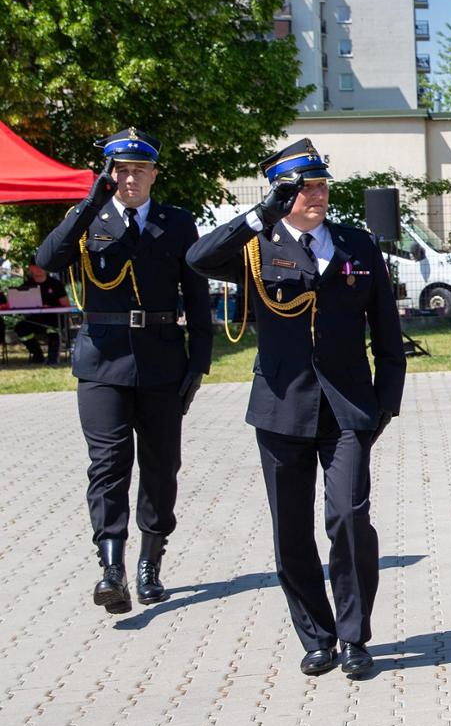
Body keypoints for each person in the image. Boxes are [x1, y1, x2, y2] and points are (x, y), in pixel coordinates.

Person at [186, 139, 405, 679]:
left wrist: (387, 403)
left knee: (350, 519)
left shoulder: (356, 244)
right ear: (281, 194)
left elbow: (386, 329)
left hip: (349, 407)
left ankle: (354, 637)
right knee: (290, 530)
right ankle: (317, 635)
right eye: (304, 188)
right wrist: (259, 214)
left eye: (321, 186)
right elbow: (197, 259)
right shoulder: (258, 245)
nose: (316, 195)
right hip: (282, 408)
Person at [34, 128, 212, 615]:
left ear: (154, 173)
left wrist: (199, 363)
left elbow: (196, 298)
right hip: (102, 360)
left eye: (138, 169)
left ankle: (150, 561)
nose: (129, 178)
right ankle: (110, 566)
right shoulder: (88, 218)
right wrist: (89, 205)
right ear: (109, 175)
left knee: (160, 467)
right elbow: (47, 261)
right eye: (120, 170)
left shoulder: (177, 223)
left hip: (161, 359)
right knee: (108, 465)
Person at [15, 265, 68, 365]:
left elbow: (66, 304)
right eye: (35, 266)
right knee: (21, 328)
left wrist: (50, 307)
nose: (38, 269)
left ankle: (53, 359)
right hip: (34, 319)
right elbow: (20, 306)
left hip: (53, 319)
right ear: (30, 268)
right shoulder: (26, 285)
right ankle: (38, 355)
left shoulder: (55, 284)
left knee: (53, 330)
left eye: (41, 266)